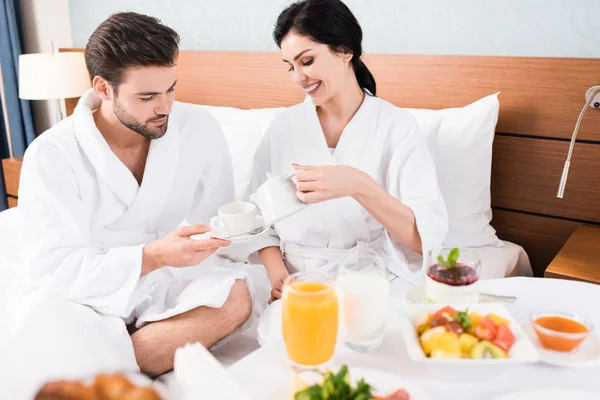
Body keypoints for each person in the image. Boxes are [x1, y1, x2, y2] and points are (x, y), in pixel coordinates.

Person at [6, 12, 253, 396]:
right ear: (104, 88)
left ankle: (111, 367)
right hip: (83, 286)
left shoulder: (197, 128)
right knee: (38, 338)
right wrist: (153, 256)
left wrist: (231, 245)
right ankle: (118, 366)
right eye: (148, 96)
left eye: (170, 88)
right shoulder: (52, 154)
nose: (166, 106)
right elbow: (56, 268)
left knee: (236, 297)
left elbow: (221, 219)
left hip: (163, 277)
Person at [246, 0, 448, 306]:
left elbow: (424, 240)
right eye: (290, 66)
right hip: (295, 280)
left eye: (307, 61)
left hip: (370, 277)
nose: (297, 78)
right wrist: (278, 278)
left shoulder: (396, 127)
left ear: (345, 50)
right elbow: (256, 218)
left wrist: (358, 184)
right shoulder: (284, 126)